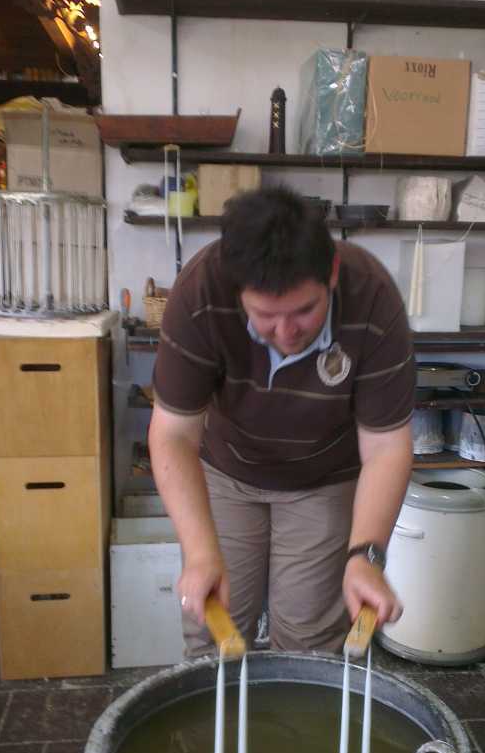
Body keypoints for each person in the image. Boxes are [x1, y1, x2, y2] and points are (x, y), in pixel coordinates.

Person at [149, 185, 415, 655]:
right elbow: (173, 434)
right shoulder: (200, 291)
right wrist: (200, 552)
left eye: (305, 311)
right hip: (227, 470)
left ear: (332, 273)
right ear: (238, 291)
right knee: (215, 632)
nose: (286, 332)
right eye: (266, 316)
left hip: (324, 478)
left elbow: (386, 446)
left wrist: (366, 556)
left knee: (309, 644)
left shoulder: (372, 294)